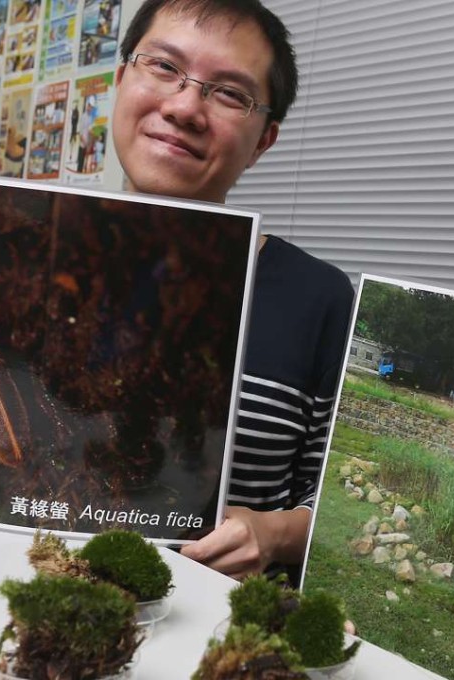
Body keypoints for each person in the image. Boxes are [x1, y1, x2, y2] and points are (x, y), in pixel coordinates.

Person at [112, 0, 354, 580]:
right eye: (165, 67)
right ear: (121, 79)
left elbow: (335, 510)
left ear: (264, 140)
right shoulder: (19, 250)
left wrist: (273, 534)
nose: (185, 107)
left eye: (229, 94)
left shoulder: (316, 298)